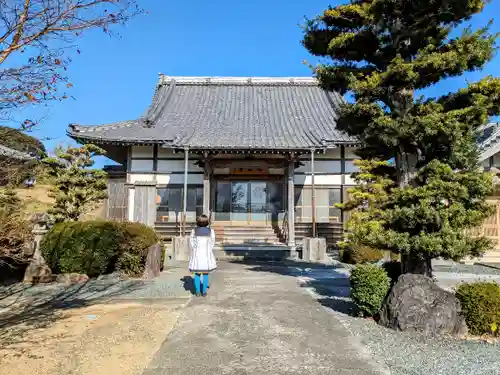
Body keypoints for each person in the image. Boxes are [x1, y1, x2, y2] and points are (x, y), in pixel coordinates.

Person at [188, 214, 217, 297]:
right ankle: (204, 291)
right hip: (206, 255)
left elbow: (192, 241)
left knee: (197, 274)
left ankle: (197, 291)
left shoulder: (194, 231)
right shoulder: (211, 231)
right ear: (207, 222)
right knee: (205, 273)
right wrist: (209, 249)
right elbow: (212, 242)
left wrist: (195, 248)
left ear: (198, 222)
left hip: (197, 254)